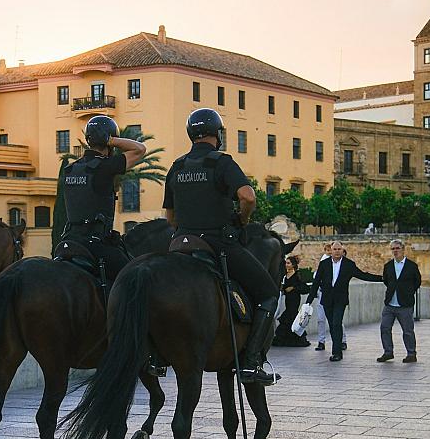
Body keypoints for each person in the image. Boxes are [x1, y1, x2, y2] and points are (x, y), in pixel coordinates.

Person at [163, 108, 280, 385]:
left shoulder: (176, 166)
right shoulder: (221, 162)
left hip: (180, 245)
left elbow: (169, 216)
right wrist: (242, 218)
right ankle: (251, 362)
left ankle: (156, 358)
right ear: (218, 133)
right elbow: (248, 196)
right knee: (268, 294)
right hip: (217, 243)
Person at [61, 115, 145, 283]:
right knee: (135, 278)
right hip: (95, 244)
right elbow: (139, 149)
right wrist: (111, 140)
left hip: (68, 240)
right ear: (109, 141)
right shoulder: (105, 167)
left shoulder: (70, 169)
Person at [306, 241, 382, 362]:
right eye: (334, 249)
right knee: (332, 325)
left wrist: (382, 278)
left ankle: (337, 352)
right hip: (327, 300)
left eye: (339, 249)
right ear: (331, 251)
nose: (336, 251)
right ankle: (337, 348)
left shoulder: (349, 264)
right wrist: (308, 300)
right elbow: (316, 283)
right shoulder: (324, 264)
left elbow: (362, 275)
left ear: (343, 250)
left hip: (340, 300)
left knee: (337, 323)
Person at [376, 239, 421, 363]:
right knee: (384, 328)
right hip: (390, 303)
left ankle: (411, 354)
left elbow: (417, 282)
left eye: (397, 248)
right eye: (393, 249)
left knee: (407, 331)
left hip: (405, 304)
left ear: (403, 249)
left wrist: (407, 292)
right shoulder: (388, 266)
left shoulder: (411, 266)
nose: (395, 251)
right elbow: (386, 281)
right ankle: (388, 352)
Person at [314, 243, 348, 351]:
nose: (331, 252)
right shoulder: (324, 262)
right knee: (321, 319)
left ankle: (341, 341)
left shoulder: (341, 262)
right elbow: (316, 279)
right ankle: (321, 341)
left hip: (336, 296)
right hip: (323, 295)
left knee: (337, 321)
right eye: (329, 250)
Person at [272, 256, 310, 347]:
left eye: (288, 263)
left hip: (294, 299)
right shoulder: (284, 275)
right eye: (286, 263)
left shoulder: (297, 275)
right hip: (287, 300)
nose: (286, 265)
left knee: (291, 315)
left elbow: (305, 288)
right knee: (289, 315)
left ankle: (297, 340)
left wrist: (293, 287)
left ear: (293, 265)